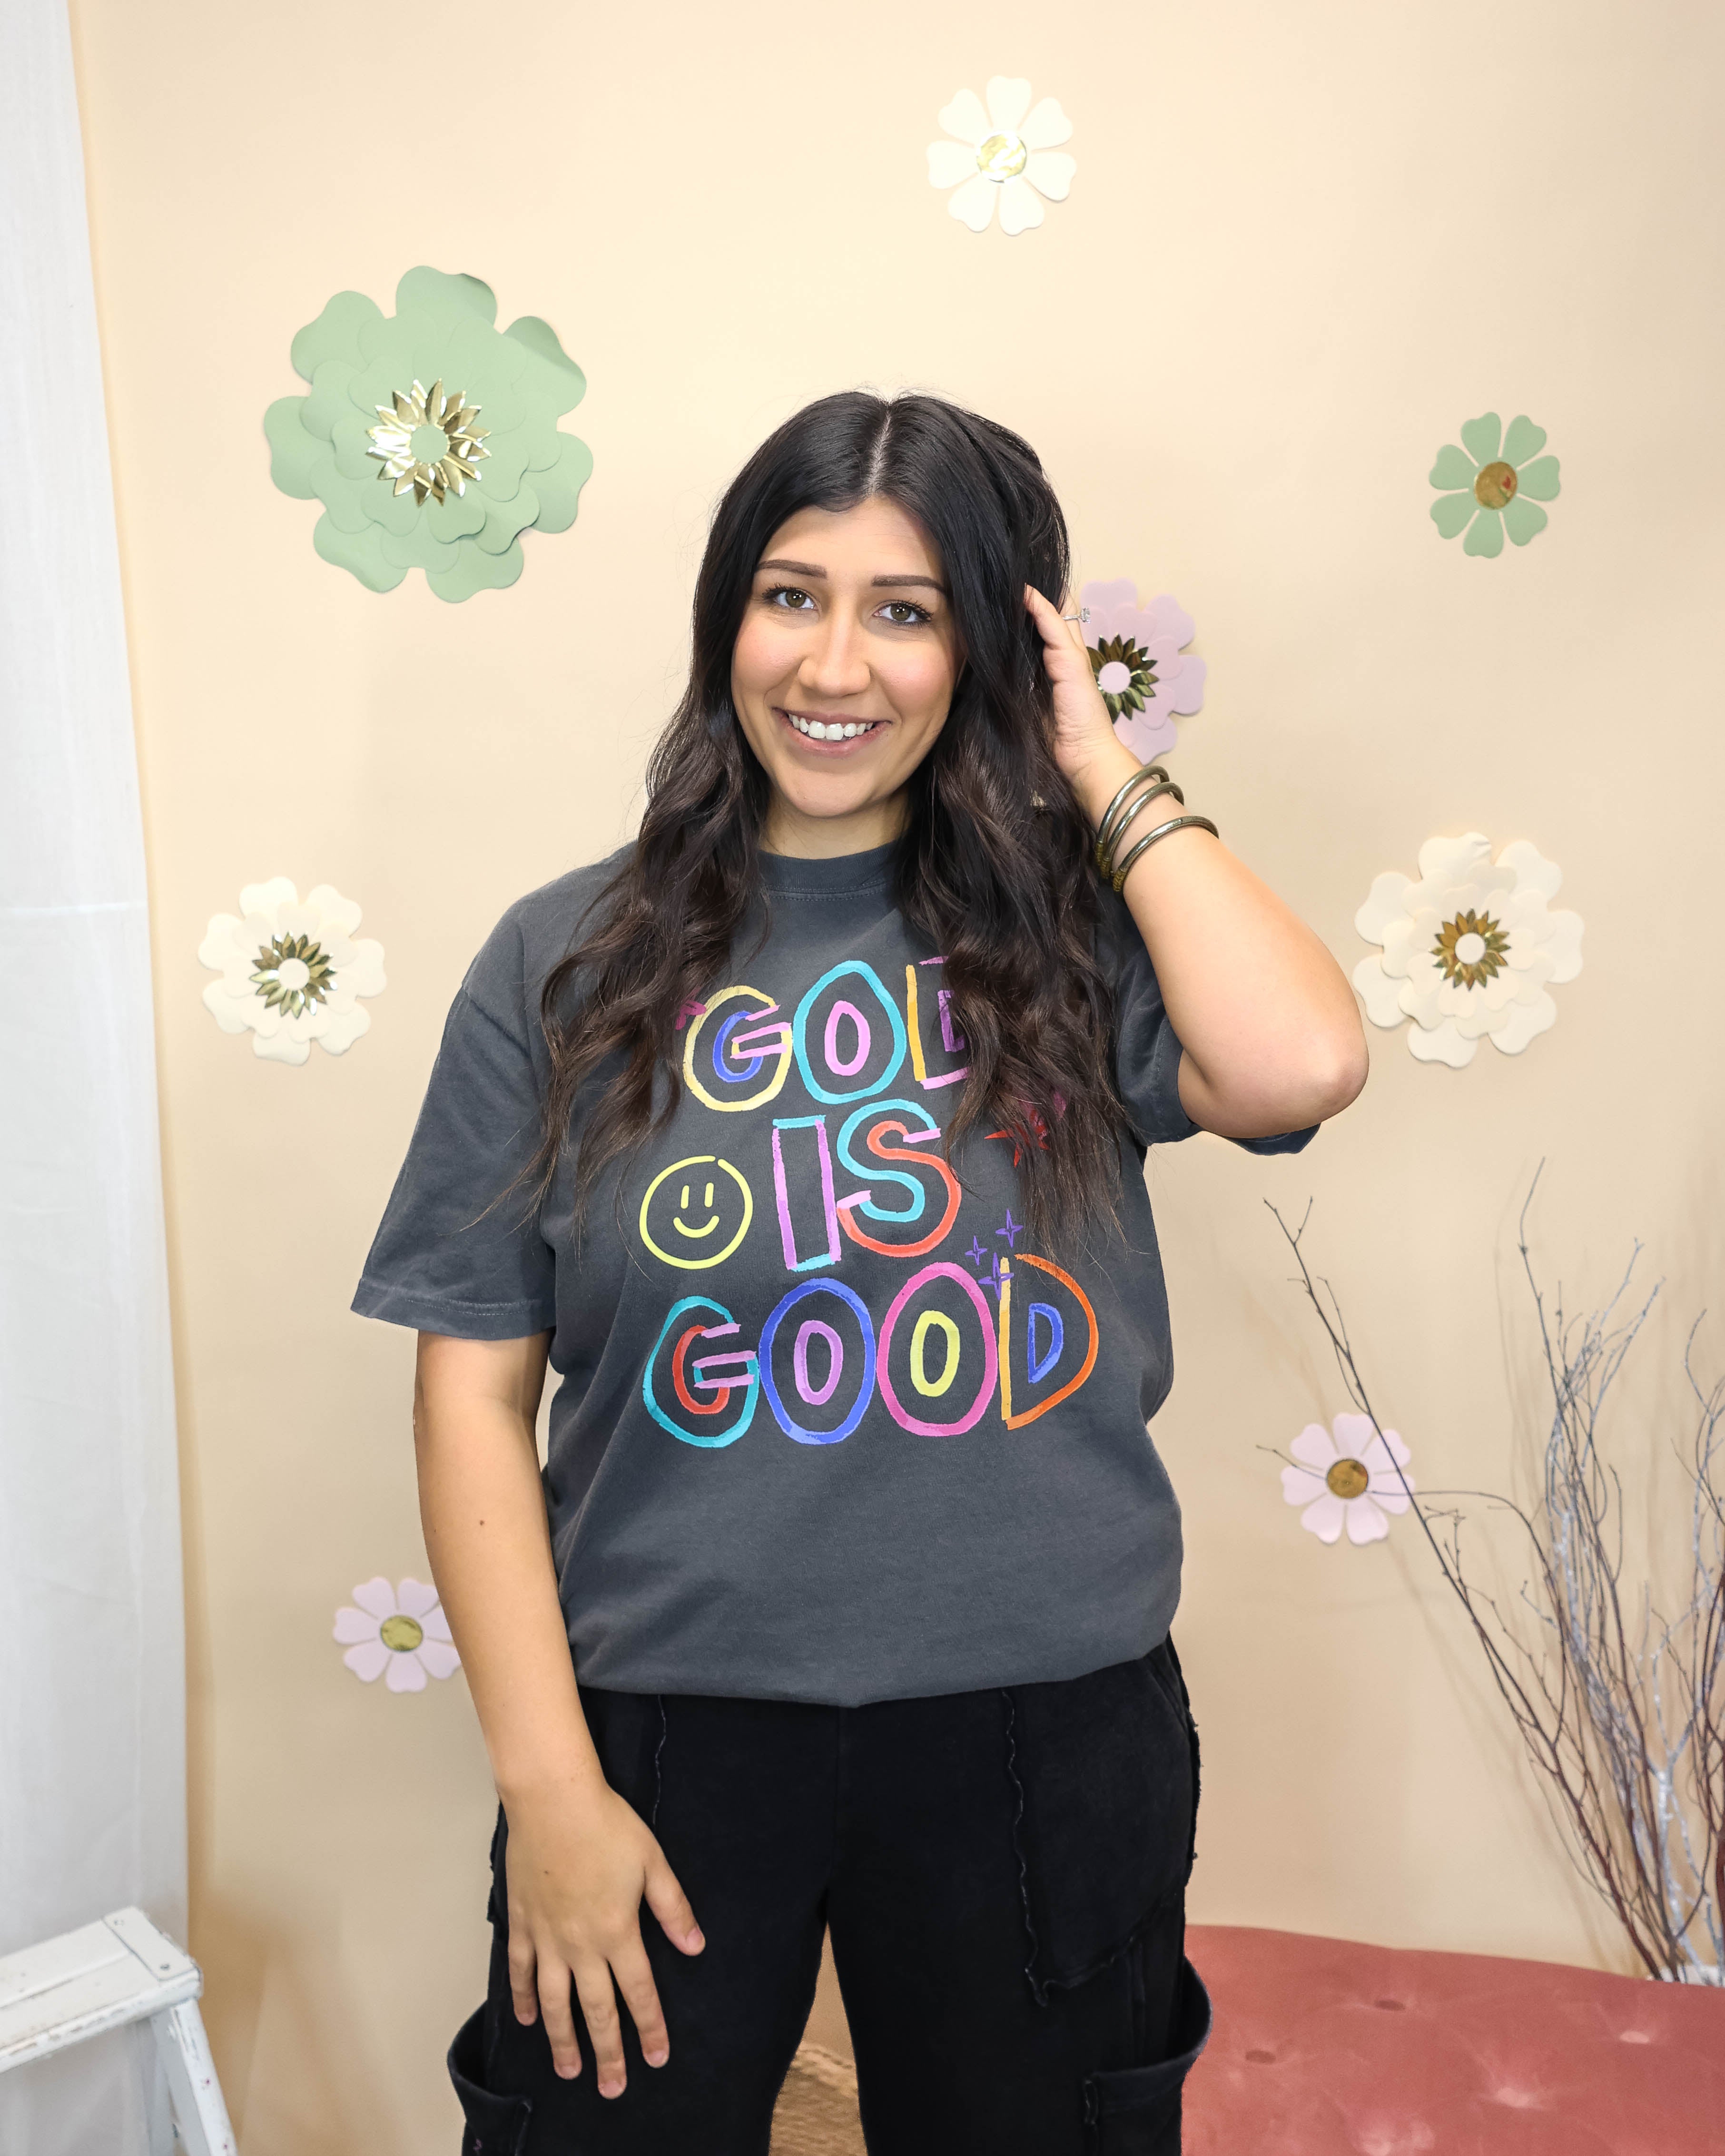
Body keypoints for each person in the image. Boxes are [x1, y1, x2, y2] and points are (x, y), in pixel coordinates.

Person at [353, 389, 1367, 2156]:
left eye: (906, 610)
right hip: (666, 1727)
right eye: (789, 595)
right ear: (724, 619)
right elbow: (472, 1393)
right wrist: (550, 1788)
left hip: (1039, 1729)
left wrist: (1095, 767)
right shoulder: (563, 958)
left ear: (990, 650)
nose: (834, 665)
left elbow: (1297, 1063)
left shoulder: (1074, 932)